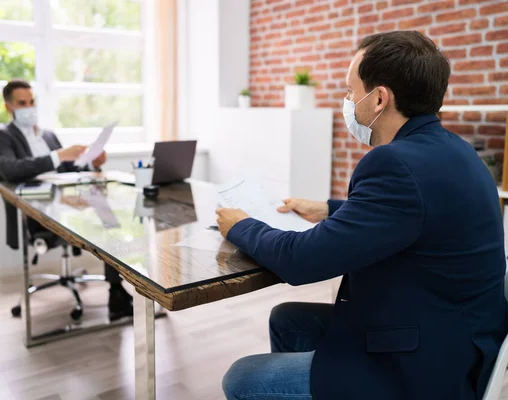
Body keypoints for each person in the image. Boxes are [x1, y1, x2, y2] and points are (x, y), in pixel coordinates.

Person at [216, 31, 508, 400]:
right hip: (455, 336)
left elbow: (300, 261)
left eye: (351, 91)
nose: (349, 102)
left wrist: (241, 225)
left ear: (380, 98)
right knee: (287, 319)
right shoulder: (454, 151)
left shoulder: (394, 163)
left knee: (241, 378)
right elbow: (414, 218)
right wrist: (329, 209)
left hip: (425, 368)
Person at [0, 79, 133, 321]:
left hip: (68, 202)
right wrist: (58, 155)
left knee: (109, 216)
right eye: (22, 103)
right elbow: (10, 170)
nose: (29, 107)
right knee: (100, 218)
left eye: (31, 101)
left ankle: (116, 292)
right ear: (8, 107)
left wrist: (91, 161)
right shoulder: (0, 136)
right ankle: (118, 290)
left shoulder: (48, 135)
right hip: (38, 210)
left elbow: (68, 167)